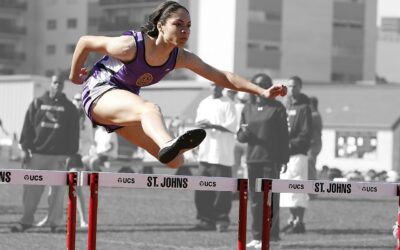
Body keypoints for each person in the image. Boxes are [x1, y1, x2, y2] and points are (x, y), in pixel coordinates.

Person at [68, 1, 287, 169]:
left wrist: (261, 91)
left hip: (123, 103)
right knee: (150, 110)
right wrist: (75, 76)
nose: (185, 31)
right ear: (160, 26)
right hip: (100, 91)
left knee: (176, 162)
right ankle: (168, 142)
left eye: (189, 26)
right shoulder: (130, 46)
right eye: (178, 25)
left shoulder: (180, 57)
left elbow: (222, 77)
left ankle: (170, 147)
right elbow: (85, 42)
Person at [11, 74, 80, 233]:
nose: (58, 86)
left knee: (57, 192)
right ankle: (26, 221)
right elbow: (27, 128)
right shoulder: (37, 103)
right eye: (55, 83)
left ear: (63, 86)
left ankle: (55, 223)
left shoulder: (70, 108)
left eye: (61, 83)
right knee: (30, 192)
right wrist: (25, 149)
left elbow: (73, 134)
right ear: (50, 84)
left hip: (59, 157)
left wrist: (71, 154)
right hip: (37, 155)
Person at [237, 74, 289, 248]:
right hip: (252, 160)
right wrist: (243, 134)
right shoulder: (247, 108)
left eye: (264, 85)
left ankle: (272, 235)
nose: (260, 88)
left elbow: (284, 136)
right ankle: (257, 236)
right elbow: (240, 135)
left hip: (271, 159)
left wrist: (283, 159)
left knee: (270, 198)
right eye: (257, 85)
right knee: (254, 199)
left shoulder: (278, 108)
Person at [193, 84, 237, 232]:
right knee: (201, 187)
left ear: (221, 87)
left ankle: (221, 219)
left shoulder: (229, 103)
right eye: (212, 85)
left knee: (222, 190)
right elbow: (198, 123)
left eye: (218, 85)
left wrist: (213, 125)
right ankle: (205, 219)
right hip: (205, 152)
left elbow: (232, 126)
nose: (215, 88)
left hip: (221, 154)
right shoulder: (204, 102)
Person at [280, 76, 312, 234]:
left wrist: (291, 144)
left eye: (295, 86)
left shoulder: (305, 107)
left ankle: (300, 221)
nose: (292, 89)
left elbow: (307, 133)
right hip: (285, 156)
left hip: (298, 154)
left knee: (298, 188)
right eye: (289, 86)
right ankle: (291, 220)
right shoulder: (284, 105)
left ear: (300, 87)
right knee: (287, 190)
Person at [307, 96, 322, 199]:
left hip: (313, 145)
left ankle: (312, 192)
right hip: (314, 145)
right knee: (310, 167)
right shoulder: (316, 115)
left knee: (310, 167)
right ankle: (310, 191)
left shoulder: (314, 116)